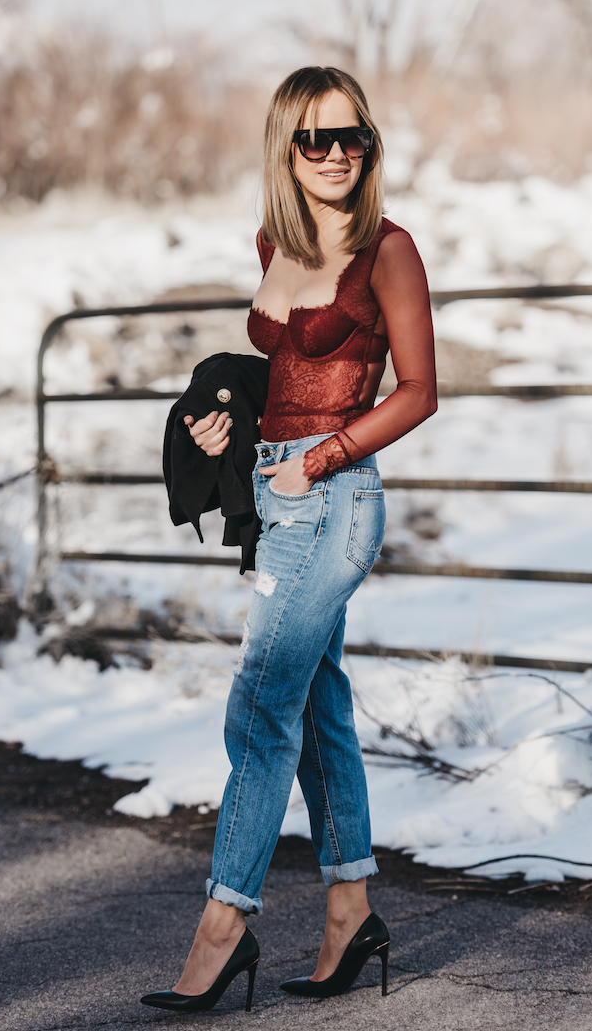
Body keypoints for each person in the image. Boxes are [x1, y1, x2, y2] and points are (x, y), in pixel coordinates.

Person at [141, 66, 437, 1014]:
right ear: (286, 147)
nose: (338, 154)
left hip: (337, 499)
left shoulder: (388, 250)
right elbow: (279, 372)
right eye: (317, 139)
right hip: (279, 498)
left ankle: (224, 929)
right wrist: (225, 427)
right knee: (316, 708)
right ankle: (351, 909)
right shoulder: (272, 239)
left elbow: (419, 392)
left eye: (354, 137)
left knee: (258, 707)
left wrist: (321, 459)